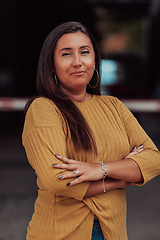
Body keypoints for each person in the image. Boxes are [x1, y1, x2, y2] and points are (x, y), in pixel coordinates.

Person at [22, 21, 160, 240]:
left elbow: (153, 158)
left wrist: (100, 169)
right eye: (66, 54)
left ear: (94, 59)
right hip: (61, 234)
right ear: (51, 65)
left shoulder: (113, 106)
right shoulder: (44, 109)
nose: (78, 62)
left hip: (113, 232)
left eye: (84, 52)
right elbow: (56, 179)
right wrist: (121, 179)